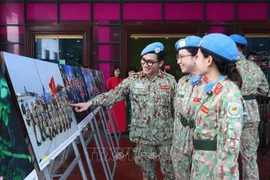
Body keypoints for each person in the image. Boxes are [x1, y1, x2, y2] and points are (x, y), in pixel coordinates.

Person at [71, 42, 176, 180]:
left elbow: (177, 110)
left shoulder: (170, 82)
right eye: (143, 61)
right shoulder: (133, 80)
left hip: (165, 137)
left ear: (160, 63)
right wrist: (90, 103)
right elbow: (114, 94)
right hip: (143, 137)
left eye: (150, 62)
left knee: (170, 174)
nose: (145, 65)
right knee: (148, 175)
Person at [191, 33, 245, 179]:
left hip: (214, 171)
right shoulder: (208, 88)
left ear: (209, 60)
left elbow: (230, 147)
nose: (195, 60)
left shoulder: (229, 95)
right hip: (202, 165)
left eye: (197, 56)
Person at [230, 34, 269, 180]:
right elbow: (265, 90)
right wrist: (251, 91)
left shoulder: (226, 66)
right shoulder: (254, 68)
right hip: (251, 114)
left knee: (229, 158)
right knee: (250, 158)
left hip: (230, 115)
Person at [170, 36, 205, 179]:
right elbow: (178, 113)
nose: (178, 61)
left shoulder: (213, 84)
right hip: (180, 141)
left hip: (202, 143)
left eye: (181, 57)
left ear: (196, 57)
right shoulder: (182, 82)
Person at [106, 66, 126, 134]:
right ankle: (112, 131)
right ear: (113, 72)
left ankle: (121, 130)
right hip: (113, 100)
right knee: (113, 116)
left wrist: (125, 100)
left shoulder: (122, 80)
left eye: (119, 71)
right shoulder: (110, 80)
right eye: (116, 71)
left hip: (121, 100)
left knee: (121, 116)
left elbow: (124, 91)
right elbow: (108, 89)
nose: (118, 72)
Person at [125, 66, 138, 132]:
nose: (131, 73)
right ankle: (129, 129)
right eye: (130, 72)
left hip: (137, 100)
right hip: (129, 100)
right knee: (129, 114)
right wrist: (124, 100)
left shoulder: (139, 80)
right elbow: (123, 91)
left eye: (133, 72)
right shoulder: (126, 81)